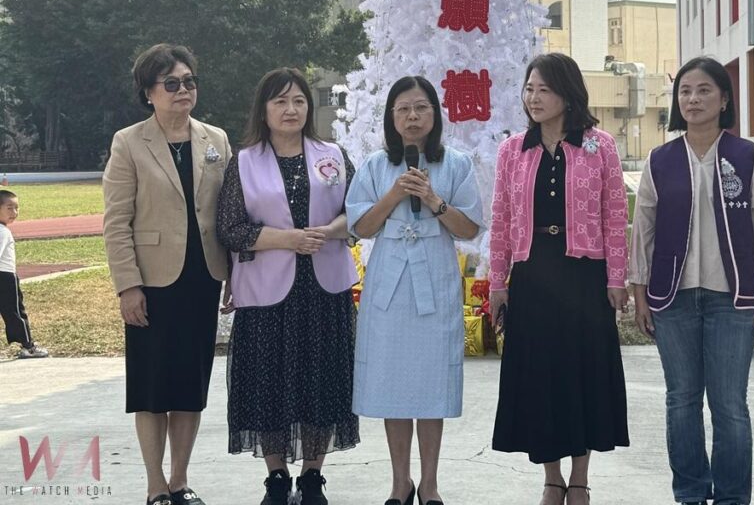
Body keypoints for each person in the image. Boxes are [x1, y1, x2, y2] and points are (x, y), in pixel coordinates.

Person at [629, 57, 754, 505]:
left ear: (724, 99)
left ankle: (732, 496)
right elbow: (644, 229)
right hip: (671, 297)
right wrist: (639, 292)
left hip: (733, 299)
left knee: (730, 404)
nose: (693, 99)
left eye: (703, 90)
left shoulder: (746, 157)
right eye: (685, 91)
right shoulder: (661, 160)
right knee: (681, 399)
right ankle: (691, 493)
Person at [489, 52, 630, 505]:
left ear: (568, 95)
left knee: (581, 374)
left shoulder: (599, 145)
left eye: (544, 89)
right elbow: (500, 219)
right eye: (529, 89)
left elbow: (615, 214)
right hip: (532, 275)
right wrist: (498, 282)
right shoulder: (512, 149)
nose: (534, 98)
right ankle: (552, 478)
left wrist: (617, 277)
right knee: (541, 378)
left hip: (584, 275)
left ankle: (580, 478)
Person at [216, 68, 360, 505]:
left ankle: (313, 477)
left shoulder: (332, 155)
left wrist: (328, 232)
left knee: (322, 381)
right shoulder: (244, 162)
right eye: (280, 101)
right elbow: (231, 229)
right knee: (268, 384)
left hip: (324, 290)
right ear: (263, 109)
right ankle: (276, 477)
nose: (290, 109)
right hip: (266, 293)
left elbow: (360, 213)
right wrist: (289, 239)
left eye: (298, 101)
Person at [103, 43, 231, 505]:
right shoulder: (129, 142)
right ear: (148, 92)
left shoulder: (216, 139)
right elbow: (116, 221)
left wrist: (235, 275)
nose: (183, 90)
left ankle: (180, 480)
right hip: (152, 285)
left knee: (190, 386)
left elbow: (229, 213)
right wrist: (128, 286)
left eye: (189, 81)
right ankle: (155, 485)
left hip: (203, 278)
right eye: (171, 83)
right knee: (153, 388)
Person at [346, 75, 482, 505]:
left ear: (435, 114)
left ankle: (431, 483)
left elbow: (470, 228)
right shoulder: (374, 165)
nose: (412, 116)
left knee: (430, 383)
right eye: (403, 108)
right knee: (393, 384)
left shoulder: (456, 163)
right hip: (389, 282)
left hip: (434, 277)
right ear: (391, 117)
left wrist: (433, 199)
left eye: (421, 107)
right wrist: (393, 196)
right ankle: (399, 482)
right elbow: (360, 227)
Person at [0, 190, 49, 359]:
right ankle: (28, 346)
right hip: (5, 278)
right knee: (16, 312)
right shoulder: (3, 232)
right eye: (9, 208)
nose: (14, 212)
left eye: (16, 208)